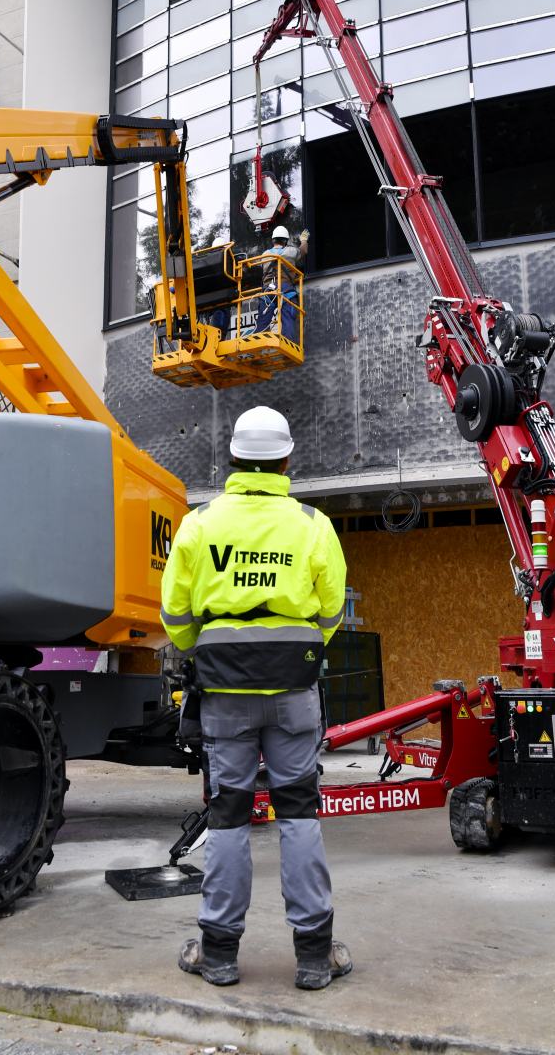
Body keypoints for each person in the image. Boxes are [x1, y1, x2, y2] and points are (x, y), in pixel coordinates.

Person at [160, 406, 351, 991]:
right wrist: (294, 648)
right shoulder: (312, 524)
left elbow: (175, 617)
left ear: (234, 460)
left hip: (224, 697)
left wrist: (208, 648)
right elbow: (330, 609)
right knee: (298, 816)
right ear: (286, 460)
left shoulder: (199, 524)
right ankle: (315, 957)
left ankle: (217, 954)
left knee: (228, 821)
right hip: (294, 696)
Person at [253, 226, 308, 343]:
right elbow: (303, 251)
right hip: (285, 289)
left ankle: (260, 344)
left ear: (273, 241)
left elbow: (256, 266)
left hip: (268, 290)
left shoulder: (265, 254)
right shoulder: (291, 251)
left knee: (263, 321)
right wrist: (304, 240)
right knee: (287, 319)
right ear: (285, 241)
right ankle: (286, 343)